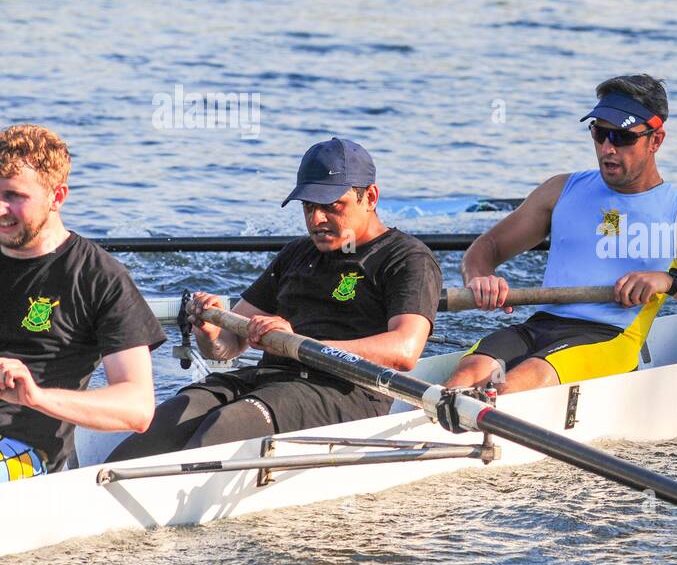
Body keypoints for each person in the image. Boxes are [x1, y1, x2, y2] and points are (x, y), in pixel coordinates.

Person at [108, 138, 440, 461]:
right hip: (271, 381)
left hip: (346, 392)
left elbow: (403, 352)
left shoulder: (406, 259)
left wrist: (298, 342)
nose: (317, 220)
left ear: (370, 197)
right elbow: (226, 348)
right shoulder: (296, 254)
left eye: (331, 206)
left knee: (222, 429)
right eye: (309, 207)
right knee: (164, 422)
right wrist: (209, 332)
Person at [443, 74, 677, 393]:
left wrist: (672, 283)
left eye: (622, 137)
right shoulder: (560, 191)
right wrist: (480, 277)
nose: (608, 148)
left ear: (656, 140)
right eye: (600, 133)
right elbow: (488, 246)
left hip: (609, 339)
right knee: (467, 375)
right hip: (539, 326)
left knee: (514, 385)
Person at [0, 124, 163, 477]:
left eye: (13, 195)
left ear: (57, 197)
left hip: (24, 451)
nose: (0, 208)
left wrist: (37, 397)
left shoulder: (98, 278)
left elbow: (137, 408)